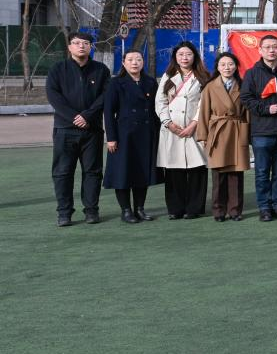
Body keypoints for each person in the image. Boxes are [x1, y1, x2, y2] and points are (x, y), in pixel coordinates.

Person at [46, 31, 111, 226]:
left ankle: (91, 211)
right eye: (76, 43)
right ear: (69, 47)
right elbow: (53, 96)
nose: (81, 46)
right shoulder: (58, 69)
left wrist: (87, 116)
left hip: (92, 130)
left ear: (91, 47)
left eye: (85, 43)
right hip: (65, 130)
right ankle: (64, 213)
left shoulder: (101, 70)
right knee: (62, 172)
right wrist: (74, 118)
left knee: (93, 172)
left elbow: (105, 96)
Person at [102, 49, 160, 223]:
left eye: (138, 59)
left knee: (142, 172)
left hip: (146, 133)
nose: (135, 63)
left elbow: (156, 109)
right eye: (130, 59)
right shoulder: (116, 83)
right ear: (123, 63)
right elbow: (108, 112)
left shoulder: (150, 82)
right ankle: (126, 210)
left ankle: (140, 209)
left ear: (143, 62)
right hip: (124, 135)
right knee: (123, 172)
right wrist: (111, 138)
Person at [240, 33, 277, 221]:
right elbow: (246, 99)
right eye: (268, 47)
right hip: (261, 132)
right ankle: (264, 208)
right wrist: (265, 108)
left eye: (275, 47)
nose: (271, 50)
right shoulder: (252, 74)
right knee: (262, 172)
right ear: (260, 50)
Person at [155, 41, 209, 219]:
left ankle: (194, 208)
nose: (184, 58)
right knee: (173, 170)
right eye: (181, 54)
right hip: (172, 130)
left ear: (195, 56)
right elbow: (160, 102)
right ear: (175, 57)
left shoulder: (203, 76)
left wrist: (194, 124)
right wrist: (168, 123)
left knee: (197, 168)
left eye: (188, 54)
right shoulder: (168, 76)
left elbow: (204, 104)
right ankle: (175, 209)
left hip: (195, 128)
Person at [197, 51, 252, 221]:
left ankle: (235, 211)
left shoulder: (243, 86)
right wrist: (203, 135)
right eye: (223, 64)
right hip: (218, 132)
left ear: (236, 67)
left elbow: (247, 112)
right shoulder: (210, 87)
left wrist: (247, 133)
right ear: (218, 67)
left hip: (237, 130)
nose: (227, 67)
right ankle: (219, 211)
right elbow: (204, 112)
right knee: (218, 174)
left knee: (236, 174)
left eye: (230, 64)